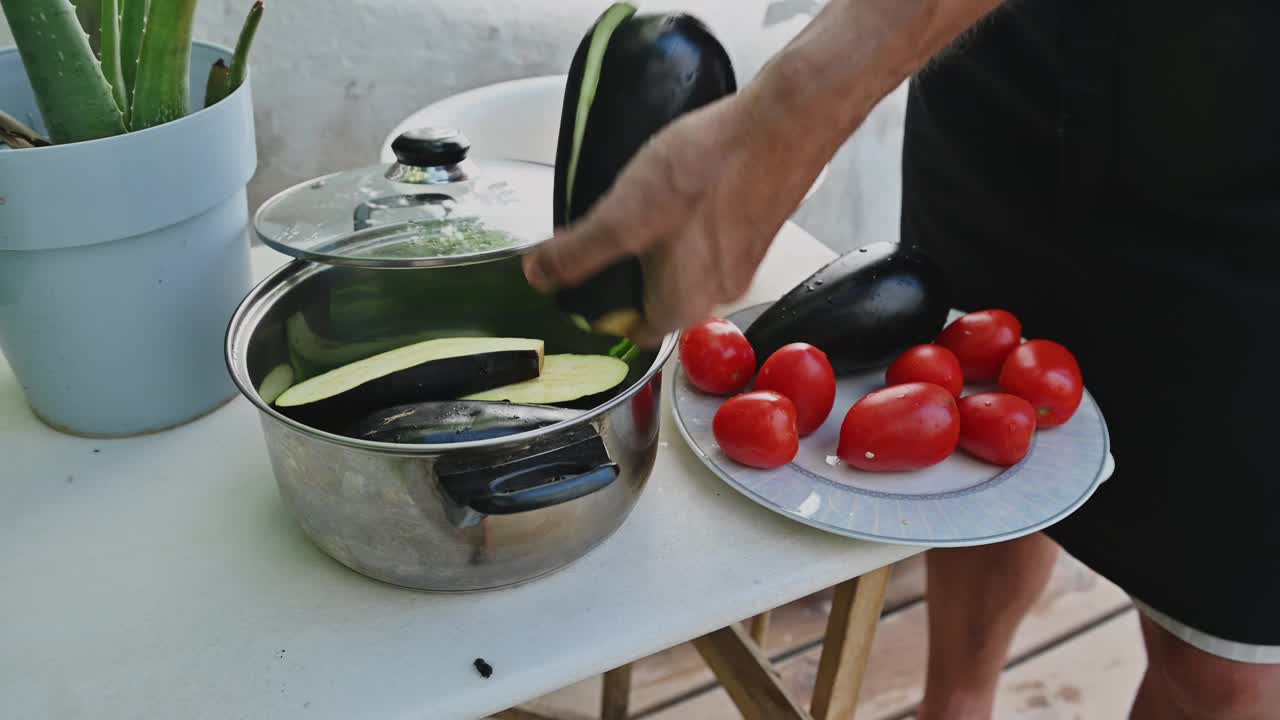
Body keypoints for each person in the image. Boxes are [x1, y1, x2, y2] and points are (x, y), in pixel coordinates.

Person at [524, 0, 1280, 717]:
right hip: (1002, 48)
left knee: (1225, 674)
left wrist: (783, 119)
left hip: (1253, 122)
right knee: (980, 444)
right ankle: (953, 705)